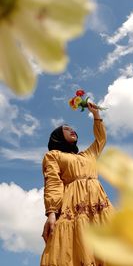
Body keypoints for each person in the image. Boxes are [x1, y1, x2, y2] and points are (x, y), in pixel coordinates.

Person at [40, 103, 113, 266]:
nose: (72, 130)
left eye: (72, 128)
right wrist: (51, 212)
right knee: (78, 246)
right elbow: (53, 181)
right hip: (74, 204)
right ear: (58, 136)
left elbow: (101, 139)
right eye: (66, 129)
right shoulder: (54, 155)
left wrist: (95, 115)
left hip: (99, 203)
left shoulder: (88, 154)